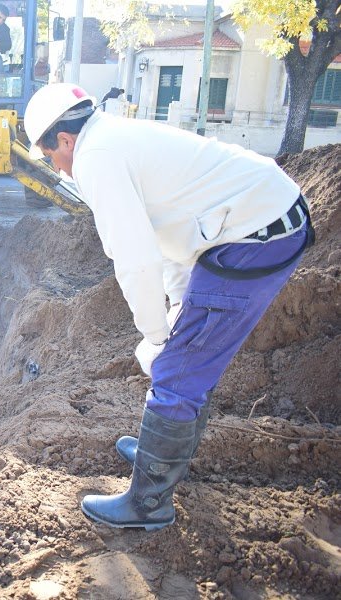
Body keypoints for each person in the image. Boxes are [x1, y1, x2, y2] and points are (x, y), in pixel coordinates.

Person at [24, 83, 314, 531]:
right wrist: (174, 315)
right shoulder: (114, 138)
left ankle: (149, 503)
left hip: (259, 232)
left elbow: (136, 260)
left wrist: (158, 337)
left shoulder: (98, 157)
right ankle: (162, 453)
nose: (54, 166)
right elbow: (175, 241)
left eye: (49, 156)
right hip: (244, 224)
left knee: (179, 367)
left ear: (64, 139)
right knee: (184, 352)